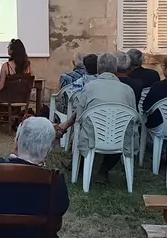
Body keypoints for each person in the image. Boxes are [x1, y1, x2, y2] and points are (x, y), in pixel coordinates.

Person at [55, 53, 139, 183]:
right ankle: (104, 170)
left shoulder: (89, 88)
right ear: (115, 69)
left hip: (93, 135)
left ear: (98, 68)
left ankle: (80, 165)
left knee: (84, 127)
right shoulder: (128, 90)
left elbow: (80, 117)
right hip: (120, 137)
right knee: (123, 131)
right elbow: (134, 118)